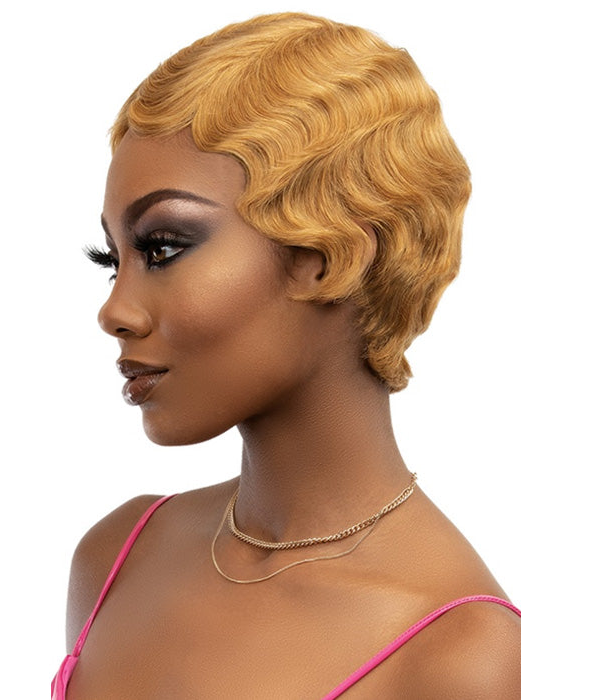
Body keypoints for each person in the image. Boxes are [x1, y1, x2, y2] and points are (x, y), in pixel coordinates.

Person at [53, 12, 520, 699]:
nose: (114, 311)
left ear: (326, 257)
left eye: (162, 248)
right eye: (111, 259)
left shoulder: (458, 654)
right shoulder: (115, 557)